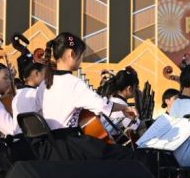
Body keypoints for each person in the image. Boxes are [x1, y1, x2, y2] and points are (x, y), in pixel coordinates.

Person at [39, 32, 133, 160]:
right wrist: (124, 108)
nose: (81, 59)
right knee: (125, 154)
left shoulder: (44, 83)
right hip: (69, 146)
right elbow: (102, 105)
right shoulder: (74, 83)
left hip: (49, 147)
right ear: (72, 54)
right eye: (81, 55)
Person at [97, 67, 142, 141]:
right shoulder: (120, 104)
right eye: (136, 87)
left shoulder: (114, 100)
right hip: (110, 144)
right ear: (129, 89)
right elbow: (136, 128)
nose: (137, 90)